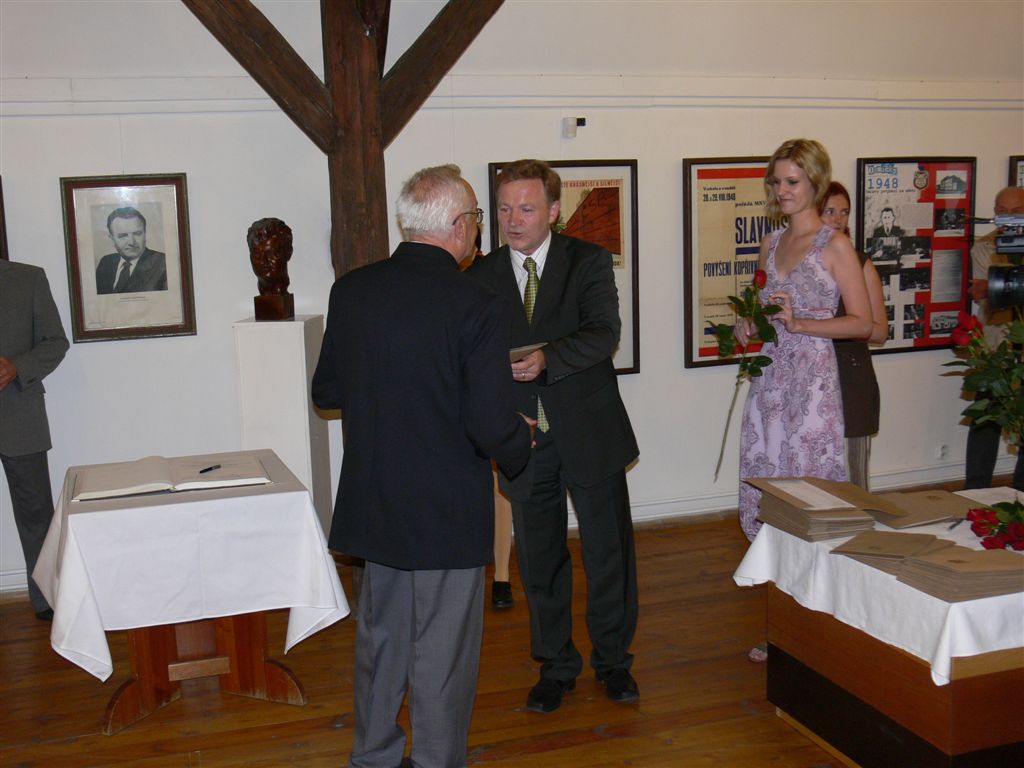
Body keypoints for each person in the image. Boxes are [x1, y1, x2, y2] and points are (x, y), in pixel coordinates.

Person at [311, 164, 534, 768]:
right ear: (459, 226)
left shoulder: (353, 290)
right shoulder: (476, 304)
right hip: (444, 506)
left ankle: (373, 756)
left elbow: (327, 390)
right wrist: (521, 441)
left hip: (376, 499)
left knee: (379, 638)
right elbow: (487, 422)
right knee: (443, 650)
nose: (479, 229)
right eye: (478, 218)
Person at [467, 159, 640, 713]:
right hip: (523, 438)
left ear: (554, 211)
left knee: (607, 554)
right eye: (503, 209)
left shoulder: (587, 261)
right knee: (539, 559)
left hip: (590, 431)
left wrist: (548, 359)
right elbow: (471, 355)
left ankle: (613, 662)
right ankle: (556, 665)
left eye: (526, 208)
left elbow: (604, 333)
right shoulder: (479, 275)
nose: (513, 220)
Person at [736, 139, 872, 543]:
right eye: (776, 182)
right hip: (770, 376)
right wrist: (750, 324)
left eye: (792, 182)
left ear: (815, 182)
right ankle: (772, 561)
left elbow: (863, 324)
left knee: (808, 475)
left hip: (812, 379)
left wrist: (801, 325)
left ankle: (813, 567)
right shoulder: (771, 243)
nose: (782, 191)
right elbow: (766, 313)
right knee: (768, 465)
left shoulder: (835, 244)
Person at [0, 258, 69, 620]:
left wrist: (18, 367)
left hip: (18, 412)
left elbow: (56, 342)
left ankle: (48, 598)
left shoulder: (28, 279)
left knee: (36, 513)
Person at [818, 181, 888, 489]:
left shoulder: (860, 263)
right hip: (809, 377)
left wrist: (830, 328)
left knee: (852, 478)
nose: (838, 219)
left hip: (850, 377)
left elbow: (879, 331)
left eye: (844, 212)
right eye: (829, 211)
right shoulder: (797, 260)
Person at [964, 186, 1024, 490]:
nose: (1008, 218)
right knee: (985, 421)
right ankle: (975, 491)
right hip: (995, 349)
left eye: (1016, 212)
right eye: (1002, 211)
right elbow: (990, 296)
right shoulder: (984, 246)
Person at [95, 207, 167, 294]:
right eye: (123, 236)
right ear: (112, 238)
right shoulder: (106, 262)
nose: (131, 242)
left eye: (137, 234)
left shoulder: (163, 263)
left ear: (145, 234)